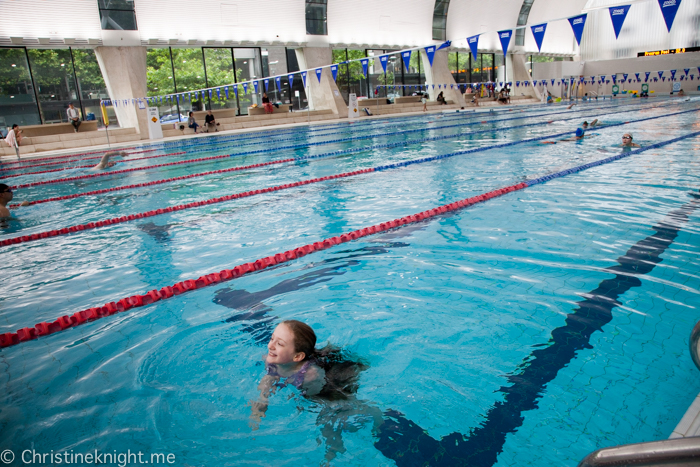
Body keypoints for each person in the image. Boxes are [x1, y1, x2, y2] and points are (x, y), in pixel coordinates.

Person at [250, 320, 382, 462]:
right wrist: (262, 401)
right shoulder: (271, 359)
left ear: (297, 357)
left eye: (279, 344)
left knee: (328, 419)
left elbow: (321, 396)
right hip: (314, 378)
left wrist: (301, 400)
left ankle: (373, 415)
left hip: (330, 385)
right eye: (272, 339)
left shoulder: (310, 375)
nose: (270, 346)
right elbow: (268, 378)